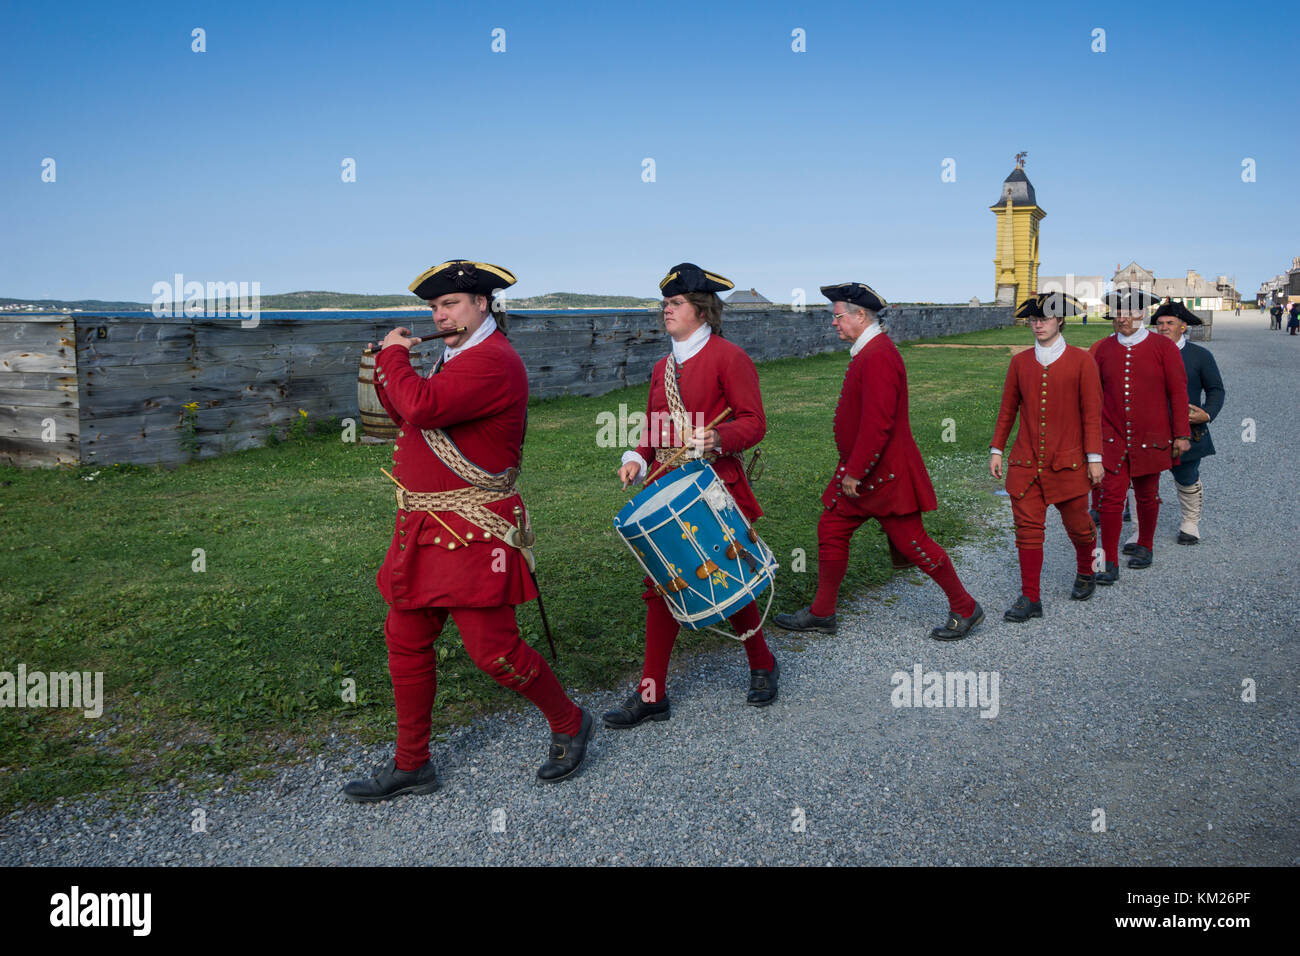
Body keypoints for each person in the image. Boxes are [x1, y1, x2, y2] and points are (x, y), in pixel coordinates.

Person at [344, 259, 593, 801]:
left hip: (473, 529)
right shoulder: (452, 358)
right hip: (425, 524)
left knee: (494, 653)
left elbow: (422, 407)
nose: (441, 315)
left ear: (483, 304)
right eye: (435, 308)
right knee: (405, 640)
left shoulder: (493, 361)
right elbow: (403, 411)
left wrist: (392, 355)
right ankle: (413, 764)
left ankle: (571, 720)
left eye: (451, 305)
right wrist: (389, 371)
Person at [604, 263, 779, 728]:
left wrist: (717, 439)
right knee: (662, 582)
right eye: (665, 303)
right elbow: (656, 428)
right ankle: (652, 693)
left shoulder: (729, 357)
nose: (667, 310)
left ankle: (761, 663)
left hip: (714, 486)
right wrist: (637, 458)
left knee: (725, 573)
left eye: (676, 303)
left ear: (701, 310)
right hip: (667, 483)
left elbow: (754, 422)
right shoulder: (662, 366)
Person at [774, 282, 983, 641]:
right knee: (832, 529)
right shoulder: (868, 351)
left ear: (859, 316)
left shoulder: (879, 354)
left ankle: (965, 607)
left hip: (884, 476)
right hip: (864, 474)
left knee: (914, 544)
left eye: (838, 317)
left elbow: (878, 422)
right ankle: (822, 613)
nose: (834, 324)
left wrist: (855, 471)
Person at [990, 293, 1104, 621]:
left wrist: (1094, 457)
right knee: (1027, 529)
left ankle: (1086, 570)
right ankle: (1030, 597)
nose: (1038, 324)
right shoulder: (1019, 362)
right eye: (1033, 319)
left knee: (1079, 527)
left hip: (1068, 463)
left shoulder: (1083, 361)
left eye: (1045, 318)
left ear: (1060, 320)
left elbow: (1091, 413)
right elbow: (1008, 408)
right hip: (1026, 463)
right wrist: (997, 449)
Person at [1091, 289, 1190, 583]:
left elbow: (1178, 392)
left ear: (1142, 313)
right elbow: (1092, 395)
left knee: (1147, 496)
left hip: (1152, 435)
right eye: (1118, 312)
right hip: (1112, 437)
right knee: (1110, 499)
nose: (1123, 318)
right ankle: (1108, 560)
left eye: (1129, 312)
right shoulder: (1102, 349)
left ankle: (1145, 545)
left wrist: (1181, 434)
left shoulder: (1164, 347)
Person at [1149, 301, 1225, 544]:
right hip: (1150, 428)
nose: (1163, 328)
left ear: (1183, 326)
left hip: (1188, 428)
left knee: (1186, 475)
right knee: (1142, 476)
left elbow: (1216, 389)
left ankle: (1190, 523)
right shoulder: (1146, 352)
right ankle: (1141, 527)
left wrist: (1208, 414)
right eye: (1159, 324)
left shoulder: (1200, 356)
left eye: (1169, 323)